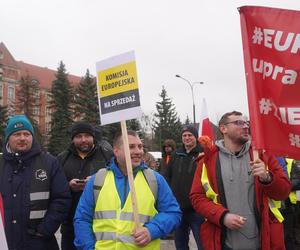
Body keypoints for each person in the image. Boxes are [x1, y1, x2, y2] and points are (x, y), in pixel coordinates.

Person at [190, 111, 291, 250]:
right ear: (223, 128)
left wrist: (267, 178)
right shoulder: (208, 160)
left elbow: (283, 192)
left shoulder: (262, 155)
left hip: (263, 241)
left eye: (246, 123)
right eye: (238, 123)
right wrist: (222, 216)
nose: (245, 126)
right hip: (223, 242)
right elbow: (197, 197)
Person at [74, 130, 181, 250]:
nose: (138, 151)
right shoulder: (98, 180)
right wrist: (88, 247)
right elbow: (82, 220)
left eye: (140, 146)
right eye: (131, 147)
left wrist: (152, 230)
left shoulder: (154, 180)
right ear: (116, 151)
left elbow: (173, 213)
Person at [0, 115, 71, 250]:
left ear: (32, 137)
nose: (22, 138)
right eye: (17, 134)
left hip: (39, 242)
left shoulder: (49, 163)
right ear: (8, 138)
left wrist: (45, 229)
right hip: (5, 242)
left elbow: (62, 199)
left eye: (26, 134)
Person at [57, 121, 113, 250]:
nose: (83, 140)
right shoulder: (62, 158)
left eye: (87, 136)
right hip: (70, 224)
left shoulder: (107, 156)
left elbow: (118, 182)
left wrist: (95, 182)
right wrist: (68, 186)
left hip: (100, 224)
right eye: (79, 136)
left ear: (93, 137)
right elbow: (54, 187)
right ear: (73, 139)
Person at [166, 125, 204, 250]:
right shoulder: (176, 154)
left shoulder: (202, 153)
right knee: (180, 244)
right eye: (184, 135)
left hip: (197, 209)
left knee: (203, 243)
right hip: (178, 209)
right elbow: (167, 177)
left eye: (190, 135)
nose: (187, 138)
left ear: (195, 137)